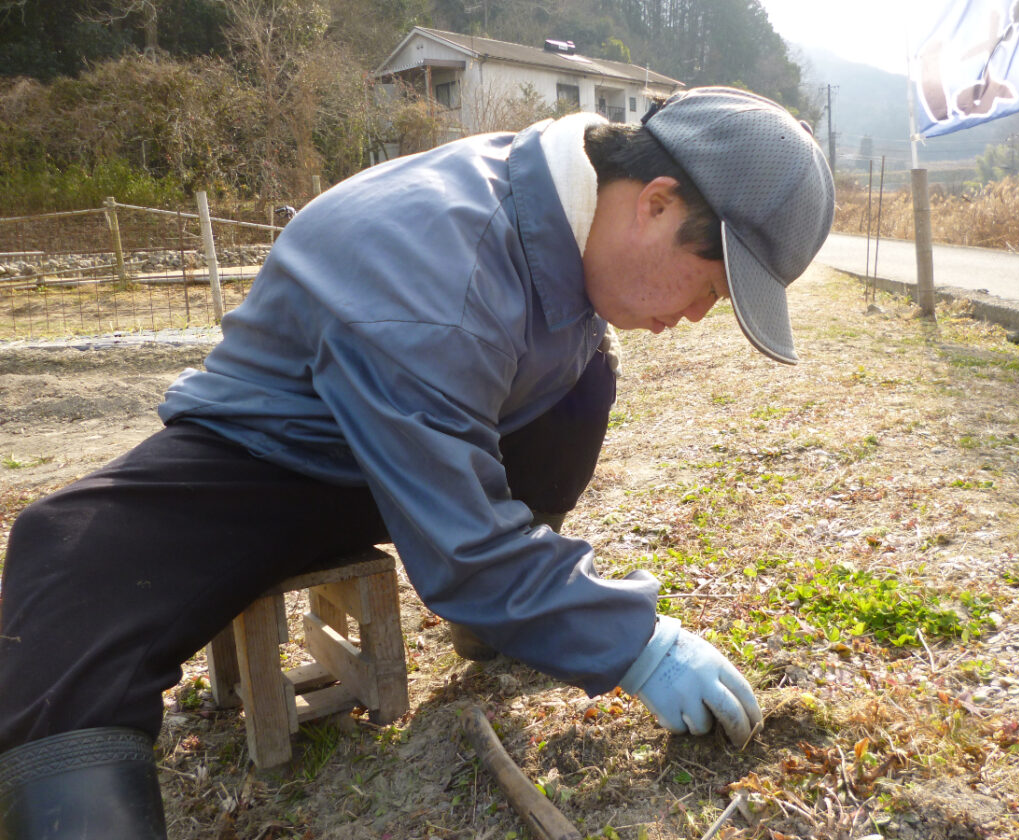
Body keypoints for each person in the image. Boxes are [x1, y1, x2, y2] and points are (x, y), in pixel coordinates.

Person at [0, 86, 834, 838]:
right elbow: (463, 547)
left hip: (436, 432)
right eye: (711, 286)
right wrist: (638, 645)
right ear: (655, 202)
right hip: (274, 451)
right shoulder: (439, 273)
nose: (697, 315)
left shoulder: (566, 213)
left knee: (587, 374)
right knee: (69, 566)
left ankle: (505, 621)